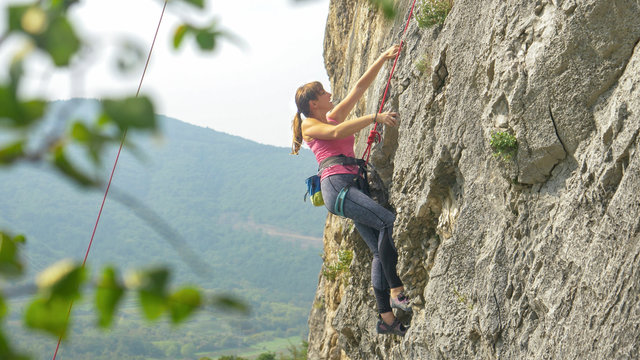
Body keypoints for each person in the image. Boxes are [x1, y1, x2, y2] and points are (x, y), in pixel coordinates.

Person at [291, 45, 410, 336]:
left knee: (379, 253)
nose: (330, 95)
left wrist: (382, 57)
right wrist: (374, 118)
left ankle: (387, 320)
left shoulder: (328, 116)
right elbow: (334, 135)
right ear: (313, 104)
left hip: (352, 185)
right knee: (388, 222)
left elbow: (357, 89)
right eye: (323, 93)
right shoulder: (310, 127)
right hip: (338, 187)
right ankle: (396, 289)